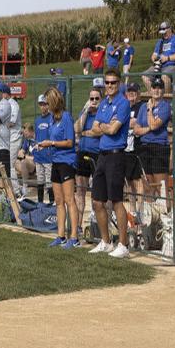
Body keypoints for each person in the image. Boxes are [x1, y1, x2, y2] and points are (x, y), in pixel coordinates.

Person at [86, 71, 131, 258]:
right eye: (107, 82)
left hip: (116, 155)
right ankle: (106, 241)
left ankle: (123, 244)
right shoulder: (103, 103)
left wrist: (104, 127)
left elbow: (112, 129)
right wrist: (106, 127)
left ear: (119, 83)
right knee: (97, 201)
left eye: (113, 82)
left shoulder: (123, 103)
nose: (110, 85)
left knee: (117, 201)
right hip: (102, 155)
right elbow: (95, 129)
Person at [41, 87, 81, 247]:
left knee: (69, 199)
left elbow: (70, 142)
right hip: (56, 161)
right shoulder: (52, 119)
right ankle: (60, 235)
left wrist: (51, 143)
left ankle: (74, 237)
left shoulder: (66, 117)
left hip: (67, 162)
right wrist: (43, 145)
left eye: (47, 102)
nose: (45, 105)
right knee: (58, 200)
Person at [132, 80, 175, 209]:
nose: (156, 90)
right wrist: (149, 129)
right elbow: (136, 130)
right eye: (154, 87)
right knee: (147, 186)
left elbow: (154, 125)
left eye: (159, 88)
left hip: (159, 147)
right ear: (150, 90)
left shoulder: (165, 106)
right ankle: (151, 219)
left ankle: (167, 218)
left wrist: (150, 110)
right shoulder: (143, 107)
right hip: (145, 147)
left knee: (160, 187)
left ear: (163, 90)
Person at [73, 87, 101, 242]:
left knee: (97, 192)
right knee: (80, 191)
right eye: (92, 99)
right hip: (82, 152)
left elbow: (98, 132)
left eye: (97, 99)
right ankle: (78, 225)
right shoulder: (85, 114)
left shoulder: (102, 113)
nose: (94, 102)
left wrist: (85, 132)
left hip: (96, 154)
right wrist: (85, 110)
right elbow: (76, 128)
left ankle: (96, 224)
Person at [146, 21, 175, 95]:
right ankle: (155, 96)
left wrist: (167, 58)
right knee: (144, 76)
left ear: (170, 29)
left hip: (173, 65)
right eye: (162, 33)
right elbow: (154, 55)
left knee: (164, 75)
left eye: (165, 32)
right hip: (160, 66)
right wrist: (155, 60)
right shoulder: (160, 42)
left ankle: (167, 100)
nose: (164, 34)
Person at [31, 94, 53, 204]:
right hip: (39, 155)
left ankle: (51, 202)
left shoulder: (52, 118)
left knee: (49, 182)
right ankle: (40, 204)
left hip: (48, 155)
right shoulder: (37, 120)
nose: (43, 107)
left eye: (45, 104)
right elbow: (36, 136)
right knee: (40, 180)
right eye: (41, 105)